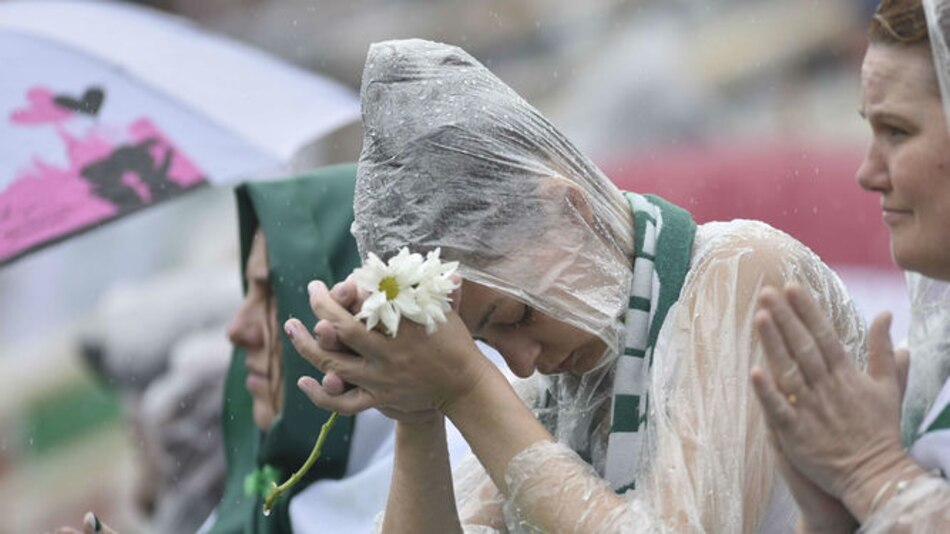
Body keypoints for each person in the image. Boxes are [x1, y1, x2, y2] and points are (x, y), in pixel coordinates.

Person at [283, 39, 867, 532]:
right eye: (486, 345)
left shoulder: (742, 270)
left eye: (514, 318)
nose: (523, 362)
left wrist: (463, 387)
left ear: (569, 210)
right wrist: (417, 414)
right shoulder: (557, 391)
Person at [749, 0, 950, 531]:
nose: (867, 172)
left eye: (897, 132)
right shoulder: (930, 373)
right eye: (870, 130)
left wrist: (870, 469)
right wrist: (831, 505)